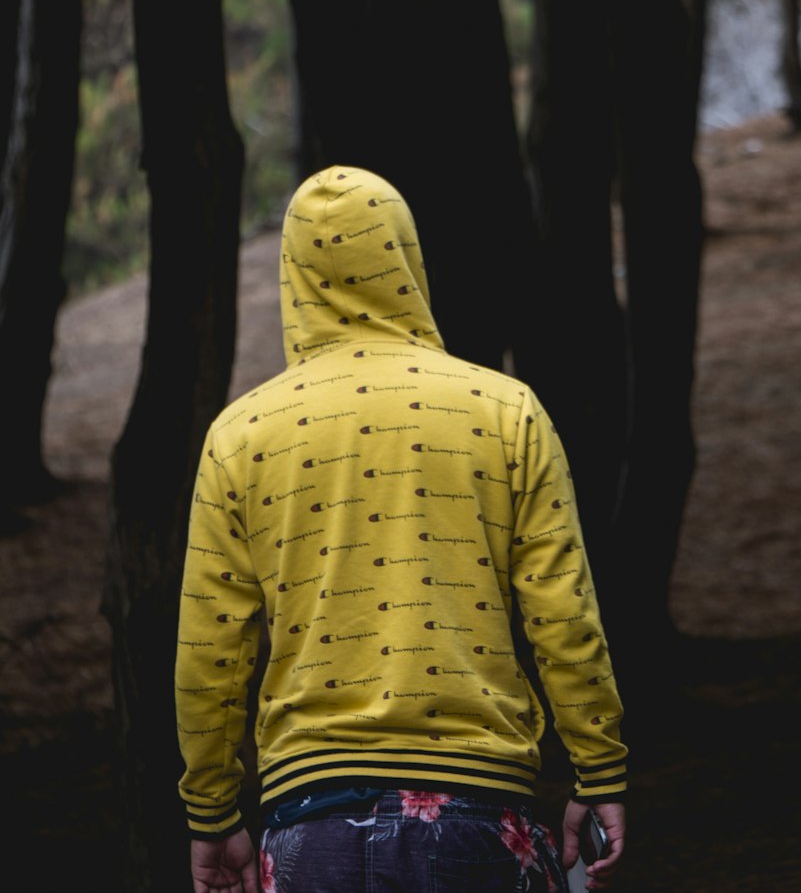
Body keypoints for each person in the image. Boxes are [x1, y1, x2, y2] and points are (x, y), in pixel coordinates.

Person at [175, 165, 627, 892]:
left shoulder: (241, 436)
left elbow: (210, 656)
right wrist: (597, 766)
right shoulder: (505, 411)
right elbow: (562, 615)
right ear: (406, 260)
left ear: (294, 276)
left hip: (308, 823)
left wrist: (212, 815)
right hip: (482, 812)